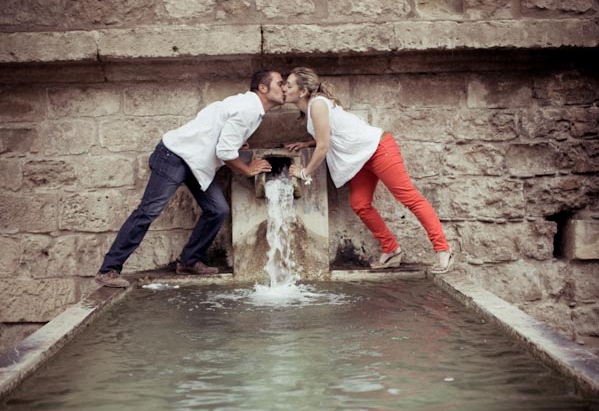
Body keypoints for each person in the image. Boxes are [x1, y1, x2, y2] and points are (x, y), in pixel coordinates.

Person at [95, 69, 285, 288]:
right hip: (174, 156)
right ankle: (109, 269)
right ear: (263, 88)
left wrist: (234, 144)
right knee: (148, 211)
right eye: (280, 83)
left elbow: (212, 122)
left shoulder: (249, 108)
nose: (284, 88)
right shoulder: (248, 109)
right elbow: (224, 152)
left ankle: (188, 260)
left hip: (197, 164)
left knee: (217, 210)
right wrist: (247, 169)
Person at [284, 67, 454, 273]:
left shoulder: (317, 104)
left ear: (302, 91)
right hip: (360, 157)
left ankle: (443, 249)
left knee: (409, 197)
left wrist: (304, 172)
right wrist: (306, 143)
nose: (284, 88)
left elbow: (324, 146)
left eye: (289, 84)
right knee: (360, 204)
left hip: (379, 149)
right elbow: (332, 132)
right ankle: (391, 249)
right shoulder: (311, 107)